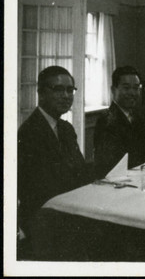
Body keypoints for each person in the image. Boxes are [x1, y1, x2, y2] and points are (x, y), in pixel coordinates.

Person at [17, 66, 93, 243]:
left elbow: (80, 169)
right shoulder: (28, 133)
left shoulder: (66, 128)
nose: (66, 96)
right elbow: (36, 189)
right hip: (44, 219)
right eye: (58, 89)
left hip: (67, 208)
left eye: (69, 90)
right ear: (41, 94)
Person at [94, 66, 145, 178]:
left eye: (136, 88)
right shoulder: (106, 120)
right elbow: (110, 165)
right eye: (126, 88)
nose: (132, 93)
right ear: (113, 90)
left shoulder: (138, 116)